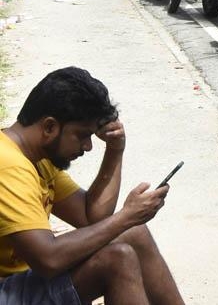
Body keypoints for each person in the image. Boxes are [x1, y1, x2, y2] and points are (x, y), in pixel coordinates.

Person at [0, 67, 183, 304]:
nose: (87, 146)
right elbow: (48, 260)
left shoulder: (35, 158)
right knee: (117, 260)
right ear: (49, 127)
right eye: (82, 135)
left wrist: (115, 149)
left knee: (133, 233)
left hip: (21, 281)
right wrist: (127, 216)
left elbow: (91, 217)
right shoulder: (9, 166)